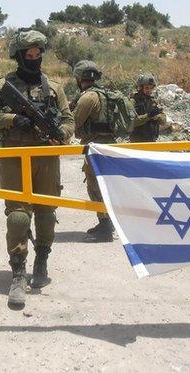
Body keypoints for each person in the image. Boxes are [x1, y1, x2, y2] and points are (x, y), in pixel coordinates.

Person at [0, 30, 74, 310]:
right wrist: (12, 120)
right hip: (15, 158)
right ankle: (18, 273)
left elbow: (68, 120)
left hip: (46, 159)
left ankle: (41, 259)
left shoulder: (54, 88)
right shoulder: (1, 87)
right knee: (19, 217)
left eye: (37, 53)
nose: (34, 58)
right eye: (28, 54)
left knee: (46, 213)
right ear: (19, 56)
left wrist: (62, 135)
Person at [70, 60, 117, 243]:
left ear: (79, 78)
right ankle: (105, 222)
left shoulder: (88, 97)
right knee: (105, 185)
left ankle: (105, 227)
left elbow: (73, 122)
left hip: (95, 147)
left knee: (95, 186)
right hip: (109, 145)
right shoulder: (105, 94)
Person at [130, 73, 167, 143]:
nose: (149, 90)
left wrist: (157, 117)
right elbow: (131, 122)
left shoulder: (153, 101)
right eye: (147, 88)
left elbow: (164, 120)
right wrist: (148, 116)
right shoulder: (133, 101)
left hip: (152, 140)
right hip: (137, 141)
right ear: (141, 88)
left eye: (151, 88)